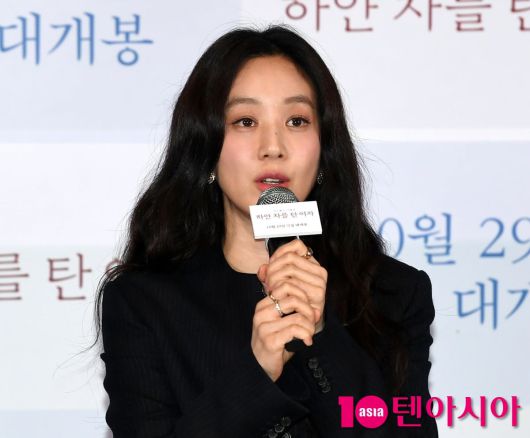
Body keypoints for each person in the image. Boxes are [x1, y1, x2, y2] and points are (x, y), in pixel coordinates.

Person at [96, 25, 438, 437]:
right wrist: (256, 374)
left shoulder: (394, 294)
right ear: (206, 148)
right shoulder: (144, 304)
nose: (273, 146)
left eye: (296, 120)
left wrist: (321, 336)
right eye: (245, 121)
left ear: (325, 148)